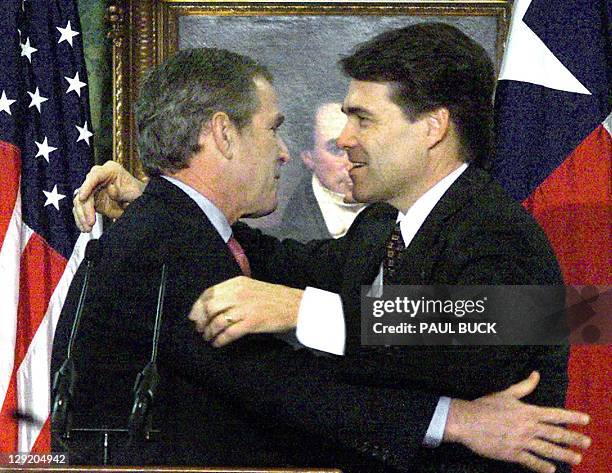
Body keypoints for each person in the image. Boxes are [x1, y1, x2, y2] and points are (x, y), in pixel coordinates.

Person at [70, 27, 591, 473]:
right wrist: (166, 205)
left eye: (363, 119)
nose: (343, 138)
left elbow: (499, 322)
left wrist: (302, 310)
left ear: (433, 126)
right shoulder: (381, 226)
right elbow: (279, 260)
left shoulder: (493, 227)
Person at [272, 102, 366, 242]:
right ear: (308, 157)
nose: (351, 162)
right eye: (336, 149)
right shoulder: (296, 233)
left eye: (358, 145)